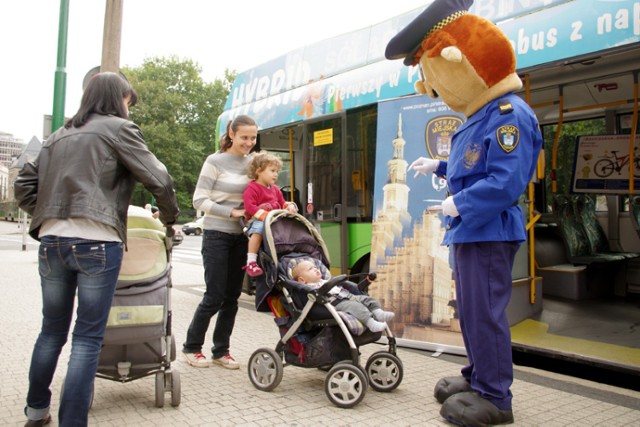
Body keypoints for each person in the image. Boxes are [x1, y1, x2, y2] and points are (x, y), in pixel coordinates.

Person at [386, 0, 543, 425]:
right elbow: (473, 166)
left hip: (489, 229)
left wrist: (461, 202)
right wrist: (437, 166)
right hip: (471, 230)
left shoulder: (509, 115)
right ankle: (477, 377)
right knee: (470, 313)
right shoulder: (481, 116)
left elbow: (506, 180)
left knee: (485, 315)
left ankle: (496, 397)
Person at [14, 72, 180, 427]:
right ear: (117, 99)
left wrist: (49, 214)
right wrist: (170, 219)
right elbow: (160, 179)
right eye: (127, 101)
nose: (128, 108)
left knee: (51, 332)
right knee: (87, 338)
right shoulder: (119, 129)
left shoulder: (57, 135)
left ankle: (36, 412)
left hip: (53, 242)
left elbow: (24, 185)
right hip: (98, 243)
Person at [182, 114, 258, 369]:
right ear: (232, 134)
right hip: (216, 235)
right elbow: (198, 200)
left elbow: (260, 193)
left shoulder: (252, 164)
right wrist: (231, 212)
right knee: (213, 295)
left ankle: (221, 350)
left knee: (232, 297)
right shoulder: (214, 161)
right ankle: (192, 347)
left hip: (241, 238)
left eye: (253, 138)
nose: (249, 142)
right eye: (244, 137)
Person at [291, 260, 394, 333]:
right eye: (310, 269)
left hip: (348, 296)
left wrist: (366, 281)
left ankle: (378, 313)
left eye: (315, 267)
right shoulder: (309, 289)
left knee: (368, 299)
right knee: (357, 307)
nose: (315, 269)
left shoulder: (325, 281)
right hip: (336, 303)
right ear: (302, 280)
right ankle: (371, 323)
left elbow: (351, 287)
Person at [242, 151, 298, 277]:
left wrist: (289, 206)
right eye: (272, 171)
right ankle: (251, 261)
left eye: (277, 171)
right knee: (259, 230)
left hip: (274, 220)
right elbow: (250, 206)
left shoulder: (275, 189)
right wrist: (264, 216)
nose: (276, 174)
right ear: (259, 171)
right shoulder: (252, 188)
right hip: (258, 221)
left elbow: (282, 202)